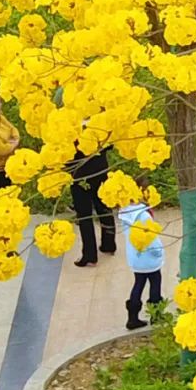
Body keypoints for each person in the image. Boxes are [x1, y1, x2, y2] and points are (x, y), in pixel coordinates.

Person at [119, 179, 164, 330]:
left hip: (135, 256)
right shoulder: (143, 215)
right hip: (149, 257)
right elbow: (151, 237)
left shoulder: (125, 212)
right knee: (155, 282)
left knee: (138, 283)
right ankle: (156, 314)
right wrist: (159, 252)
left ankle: (132, 318)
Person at [68, 141, 116, 266]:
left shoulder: (68, 126)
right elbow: (110, 144)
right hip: (100, 169)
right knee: (104, 208)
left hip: (79, 175)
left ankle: (89, 255)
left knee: (84, 216)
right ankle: (109, 244)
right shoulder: (98, 123)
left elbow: (64, 153)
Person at [0, 89, 20, 190]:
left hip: (5, 166)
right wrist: (13, 145)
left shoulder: (0, 118)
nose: (1, 104)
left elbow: (14, 130)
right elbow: (1, 149)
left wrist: (15, 139)